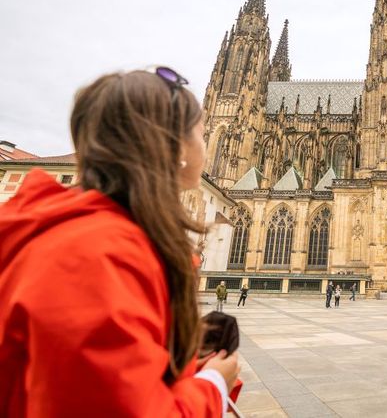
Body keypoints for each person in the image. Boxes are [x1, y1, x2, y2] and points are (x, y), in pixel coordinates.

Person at [0, 67, 239, 415]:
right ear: (173, 146)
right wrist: (214, 385)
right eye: (205, 132)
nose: (210, 144)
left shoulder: (97, 234)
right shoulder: (97, 255)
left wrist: (177, 351)